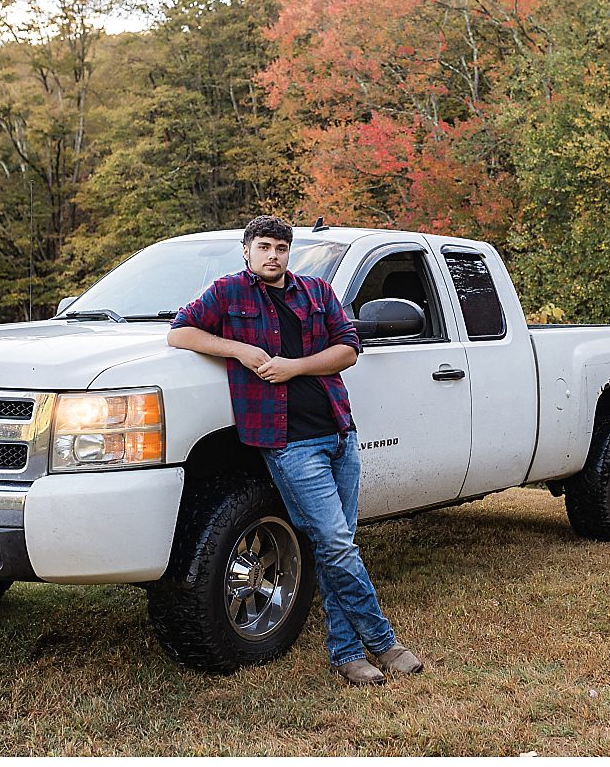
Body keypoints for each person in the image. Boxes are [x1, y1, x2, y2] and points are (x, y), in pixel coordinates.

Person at [167, 215, 424, 686]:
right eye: (263, 246)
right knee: (338, 543)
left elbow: (348, 348)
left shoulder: (316, 293)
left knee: (335, 546)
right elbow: (180, 332)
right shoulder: (228, 293)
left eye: (280, 248)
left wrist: (294, 368)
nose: (272, 255)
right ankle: (384, 642)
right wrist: (240, 351)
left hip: (339, 432)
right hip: (289, 443)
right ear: (246, 251)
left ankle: (347, 655)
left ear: (290, 253)